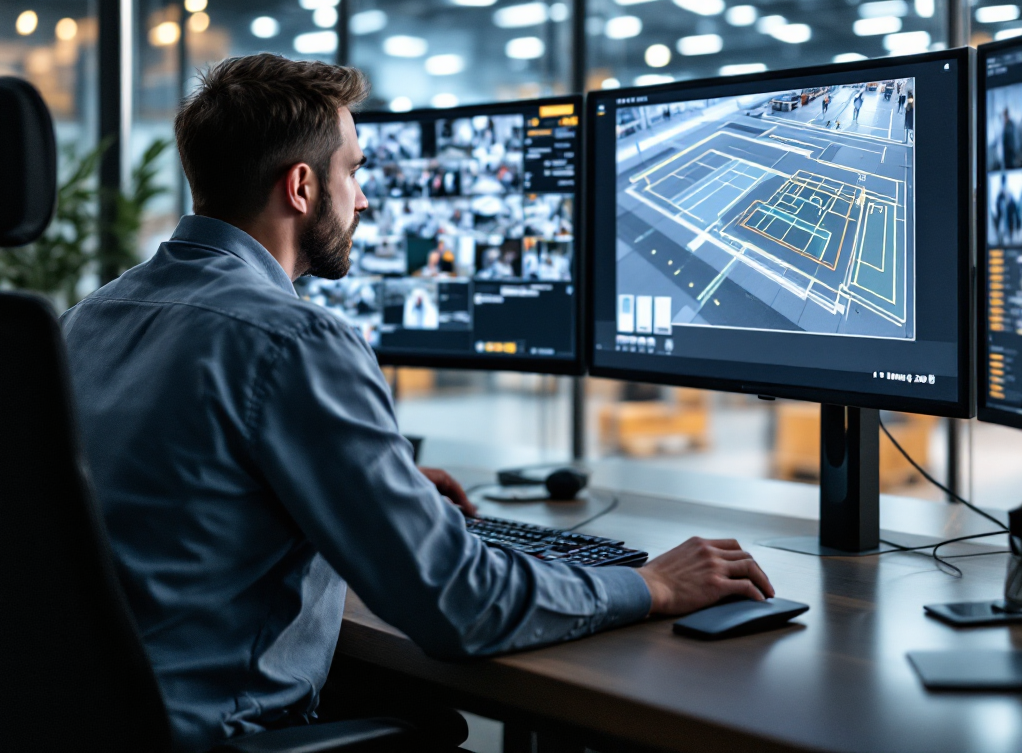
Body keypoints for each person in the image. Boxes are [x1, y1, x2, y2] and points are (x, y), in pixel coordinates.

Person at [61, 55, 772, 753]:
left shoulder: (92, 316)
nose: (363, 199)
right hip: (223, 732)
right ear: (302, 186)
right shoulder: (295, 339)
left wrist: (368, 493)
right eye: (355, 171)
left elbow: (176, 500)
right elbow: (460, 607)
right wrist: (649, 584)